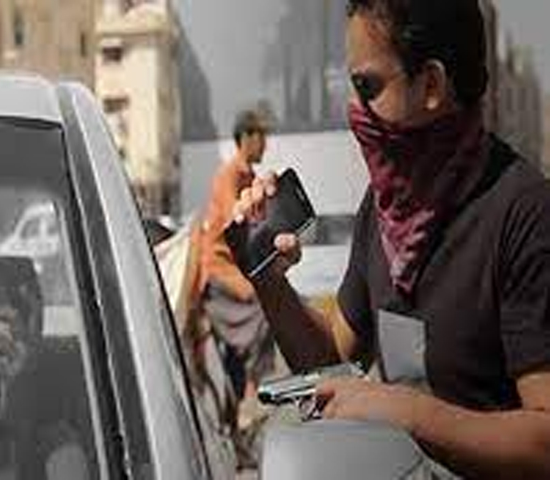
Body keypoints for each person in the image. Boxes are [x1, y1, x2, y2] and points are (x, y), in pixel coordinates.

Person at [233, 0, 550, 477]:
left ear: (432, 85)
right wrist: (269, 281)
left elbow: (543, 442)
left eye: (368, 87)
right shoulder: (385, 209)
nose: (354, 109)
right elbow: (333, 359)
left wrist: (406, 412)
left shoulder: (523, 212)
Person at [198, 109, 276, 401]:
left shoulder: (251, 177)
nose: (265, 144)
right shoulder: (228, 174)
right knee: (266, 303)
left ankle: (249, 390)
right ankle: (254, 392)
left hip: (239, 269)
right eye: (261, 136)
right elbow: (237, 220)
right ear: (246, 138)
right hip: (219, 270)